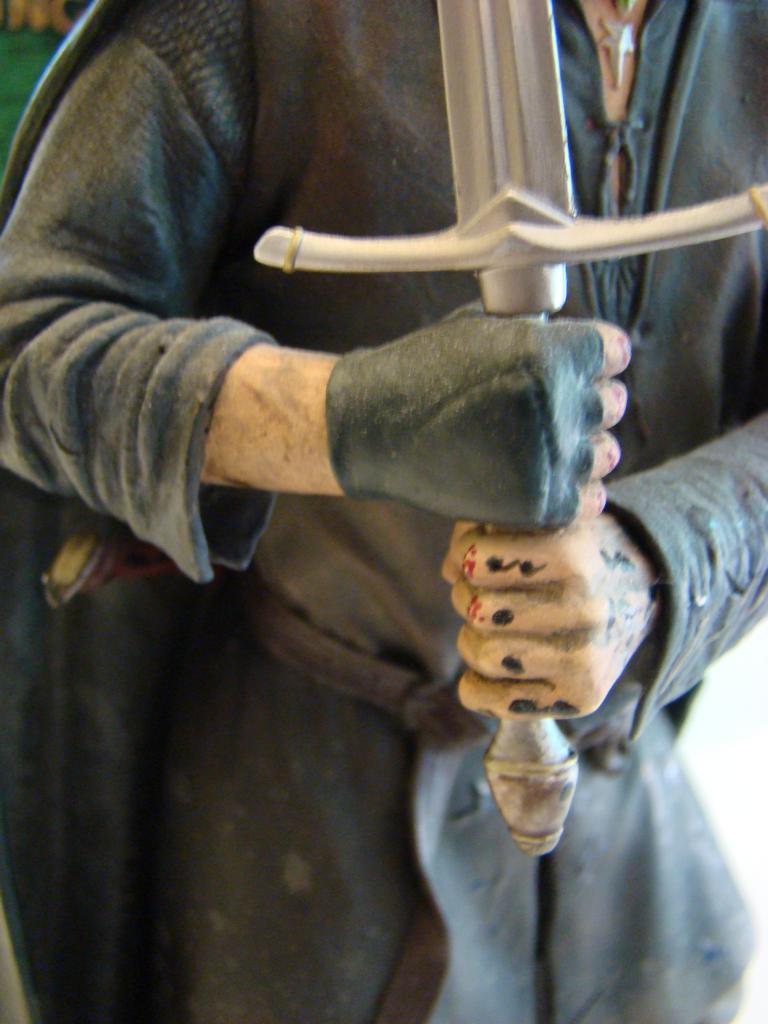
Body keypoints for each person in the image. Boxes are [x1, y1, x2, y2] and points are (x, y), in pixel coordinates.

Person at [0, 0, 764, 1021]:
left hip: (625, 820)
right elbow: (30, 337)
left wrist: (661, 563)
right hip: (306, 818)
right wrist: (352, 416)